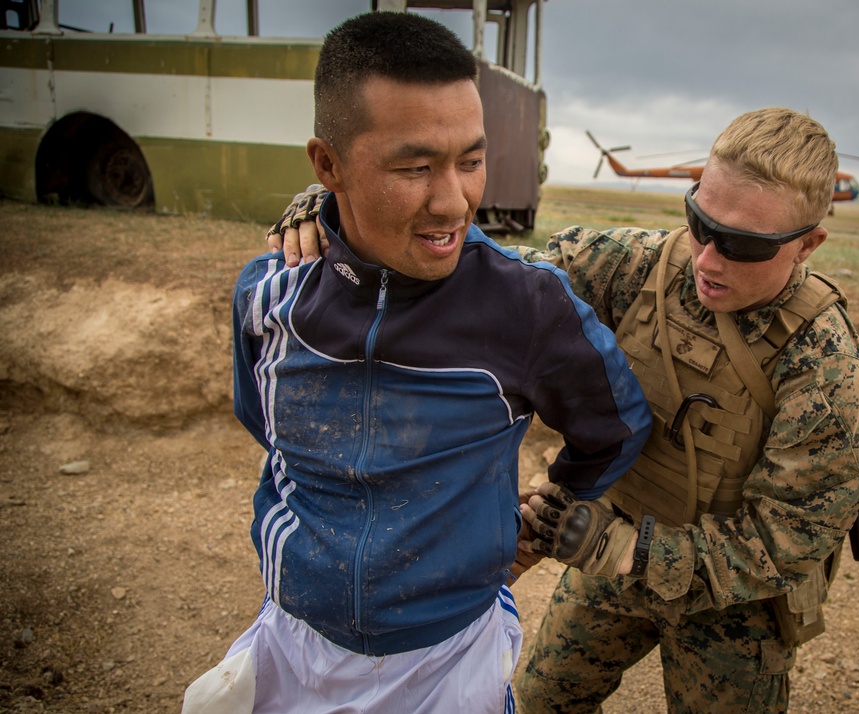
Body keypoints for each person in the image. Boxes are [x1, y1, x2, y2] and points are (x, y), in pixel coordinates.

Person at [270, 106, 859, 713]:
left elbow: (780, 547)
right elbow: (490, 284)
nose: (707, 259)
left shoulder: (832, 375)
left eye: (744, 246)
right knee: (538, 702)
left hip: (731, 609)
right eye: (701, 223)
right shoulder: (640, 267)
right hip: (609, 556)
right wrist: (339, 207)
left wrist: (619, 549)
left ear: (809, 243)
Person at [181, 12, 652, 714]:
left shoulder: (525, 306)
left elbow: (616, 426)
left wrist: (537, 520)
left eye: (470, 159)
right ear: (327, 165)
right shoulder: (269, 296)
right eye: (415, 167)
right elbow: (267, 425)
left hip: (448, 660)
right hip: (294, 639)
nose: (454, 199)